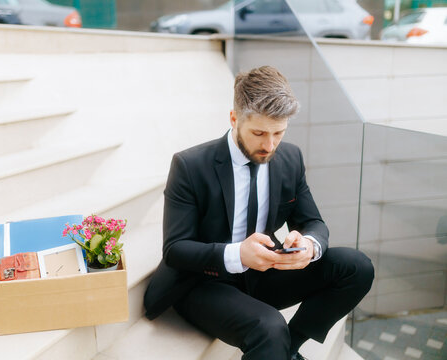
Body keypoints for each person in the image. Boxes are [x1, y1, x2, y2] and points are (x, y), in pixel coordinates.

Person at [144, 65, 374, 360]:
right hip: (203, 281)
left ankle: (289, 348)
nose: (270, 145)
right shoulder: (190, 166)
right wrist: (238, 254)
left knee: (357, 266)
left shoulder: (290, 158)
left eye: (279, 132)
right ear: (234, 118)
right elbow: (176, 249)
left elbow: (312, 222)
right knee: (270, 328)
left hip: (262, 273)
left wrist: (309, 245)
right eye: (259, 133)